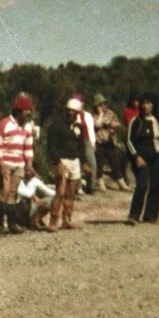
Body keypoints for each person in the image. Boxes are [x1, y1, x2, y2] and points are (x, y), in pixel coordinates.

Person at [125, 93, 159, 225]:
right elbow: (129, 141)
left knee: (156, 186)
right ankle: (133, 215)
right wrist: (136, 157)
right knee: (142, 185)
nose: (145, 106)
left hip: (158, 157)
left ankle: (151, 215)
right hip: (142, 158)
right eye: (143, 103)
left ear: (153, 105)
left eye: (148, 103)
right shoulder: (136, 122)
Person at [0, 93, 35, 235]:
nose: (29, 113)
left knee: (13, 193)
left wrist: (29, 163)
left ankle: (11, 224)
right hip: (6, 162)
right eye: (26, 110)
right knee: (4, 191)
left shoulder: (27, 126)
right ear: (19, 110)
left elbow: (28, 146)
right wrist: (0, 163)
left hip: (19, 163)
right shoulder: (4, 123)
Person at [47, 98, 89, 231]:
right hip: (62, 161)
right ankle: (53, 221)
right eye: (68, 110)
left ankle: (67, 219)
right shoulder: (56, 126)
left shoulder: (79, 127)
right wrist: (57, 162)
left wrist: (83, 163)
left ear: (77, 113)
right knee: (60, 191)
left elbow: (81, 146)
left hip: (75, 161)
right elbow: (51, 146)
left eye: (73, 111)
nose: (70, 113)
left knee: (71, 193)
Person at [92, 94, 130, 191]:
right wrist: (101, 116)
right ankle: (100, 181)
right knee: (99, 163)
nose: (103, 106)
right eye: (100, 105)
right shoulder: (93, 116)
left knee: (115, 162)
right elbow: (97, 125)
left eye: (104, 104)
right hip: (99, 142)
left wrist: (112, 125)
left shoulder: (111, 113)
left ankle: (121, 182)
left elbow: (117, 124)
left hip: (110, 141)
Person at [16, 165, 55, 230]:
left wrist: (60, 195)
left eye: (30, 171)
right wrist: (33, 196)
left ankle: (35, 220)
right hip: (19, 208)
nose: (27, 173)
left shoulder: (35, 181)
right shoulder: (19, 180)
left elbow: (48, 191)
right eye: (26, 170)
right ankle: (22, 223)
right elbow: (21, 191)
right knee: (24, 200)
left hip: (31, 207)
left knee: (51, 200)